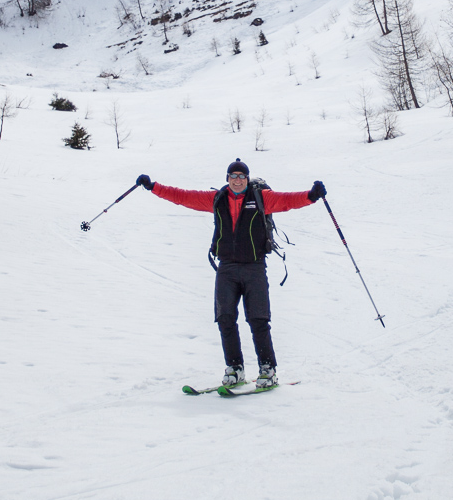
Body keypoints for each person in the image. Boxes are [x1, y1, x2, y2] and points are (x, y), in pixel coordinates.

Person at [134, 160, 326, 389]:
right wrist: (153, 187)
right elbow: (183, 196)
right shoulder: (217, 199)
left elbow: (287, 201)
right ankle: (234, 368)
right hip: (226, 268)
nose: (237, 180)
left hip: (254, 267)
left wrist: (311, 195)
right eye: (233, 176)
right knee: (225, 318)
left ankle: (268, 369)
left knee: (258, 319)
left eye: (242, 176)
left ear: (247, 178)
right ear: (227, 178)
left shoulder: (262, 198)